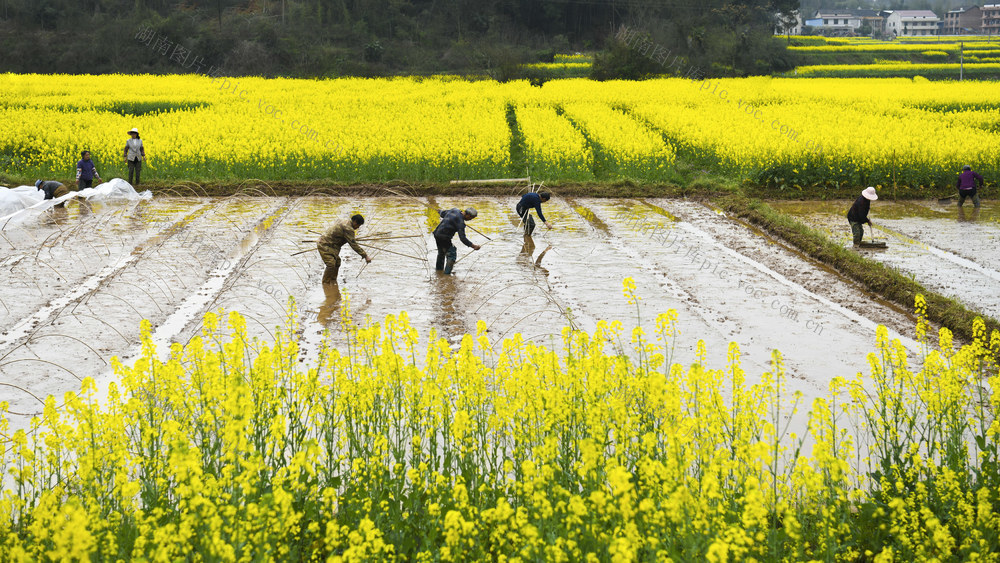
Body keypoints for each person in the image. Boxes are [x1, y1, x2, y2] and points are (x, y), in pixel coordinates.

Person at [317, 214, 371, 285]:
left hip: (332, 245)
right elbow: (354, 245)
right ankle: (325, 284)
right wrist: (365, 256)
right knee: (330, 264)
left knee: (337, 262)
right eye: (358, 225)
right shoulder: (348, 229)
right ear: (355, 222)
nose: (358, 227)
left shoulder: (344, 221)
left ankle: (333, 281)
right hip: (325, 244)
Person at [433, 207, 481, 274]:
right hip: (444, 237)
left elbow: (442, 213)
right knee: (452, 254)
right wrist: (473, 246)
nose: (470, 220)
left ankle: (438, 271)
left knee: (441, 253)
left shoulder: (454, 210)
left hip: (437, 234)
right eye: (471, 218)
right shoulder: (460, 222)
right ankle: (447, 275)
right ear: (468, 215)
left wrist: (439, 211)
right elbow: (463, 238)